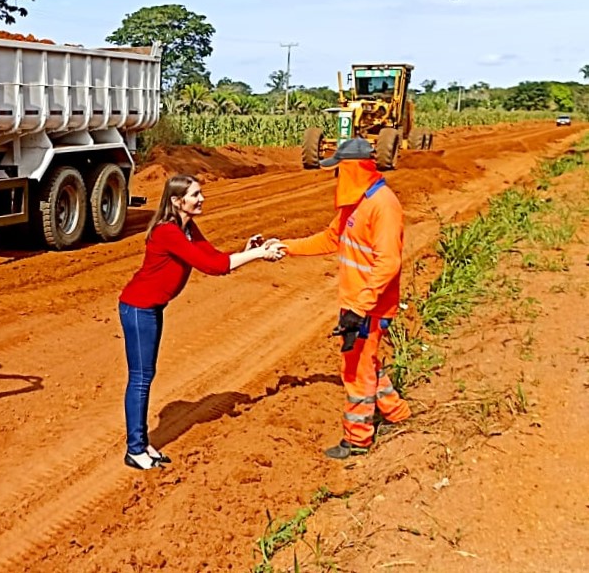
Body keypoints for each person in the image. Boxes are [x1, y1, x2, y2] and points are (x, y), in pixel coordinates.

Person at [118, 174, 285, 470]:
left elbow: (215, 256)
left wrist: (248, 250)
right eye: (195, 194)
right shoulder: (167, 232)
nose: (201, 199)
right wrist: (259, 254)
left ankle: (142, 444)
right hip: (138, 308)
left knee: (146, 375)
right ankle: (135, 449)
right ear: (176, 201)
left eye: (200, 193)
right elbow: (213, 267)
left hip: (151, 308)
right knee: (141, 378)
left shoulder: (187, 228)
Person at [277, 137, 411, 459]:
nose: (336, 177)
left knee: (355, 372)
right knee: (367, 364)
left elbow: (388, 262)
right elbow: (329, 239)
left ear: (353, 169)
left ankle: (358, 439)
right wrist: (285, 247)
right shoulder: (355, 203)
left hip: (369, 307)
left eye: (339, 170)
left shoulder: (383, 205)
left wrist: (360, 308)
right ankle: (396, 414)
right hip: (356, 304)